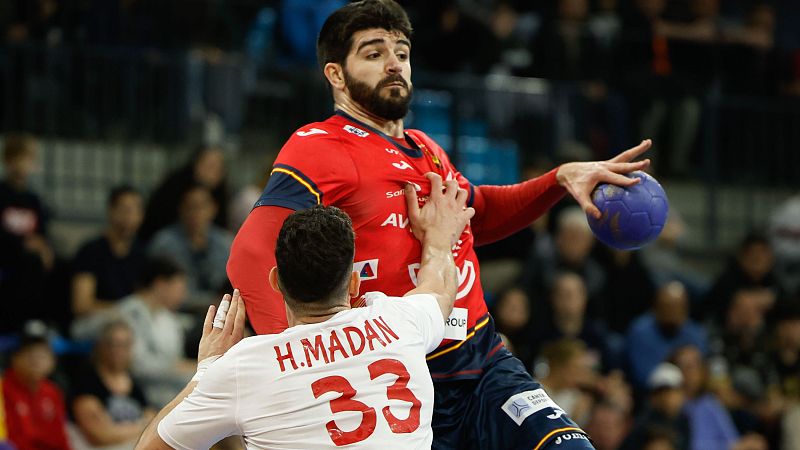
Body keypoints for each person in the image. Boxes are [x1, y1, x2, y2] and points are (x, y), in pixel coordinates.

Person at [227, 1, 651, 448]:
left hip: (483, 361)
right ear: (336, 74)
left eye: (402, 53)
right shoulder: (321, 145)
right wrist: (294, 357)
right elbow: (251, 253)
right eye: (374, 54)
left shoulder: (425, 146)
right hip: (401, 380)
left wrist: (559, 179)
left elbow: (477, 214)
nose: (394, 64)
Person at [136, 172, 473, 449]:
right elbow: (440, 288)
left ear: (275, 281)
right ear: (354, 283)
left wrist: (207, 371)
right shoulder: (400, 321)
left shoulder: (245, 365)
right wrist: (440, 238)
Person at [71, 185, 146, 340]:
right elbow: (81, 305)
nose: (129, 217)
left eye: (135, 210)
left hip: (128, 319)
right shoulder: (91, 251)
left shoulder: (141, 254)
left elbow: (143, 297)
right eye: (124, 210)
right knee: (122, 329)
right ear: (111, 211)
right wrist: (121, 309)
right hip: (93, 320)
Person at [70, 320, 156, 448]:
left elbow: (154, 421)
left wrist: (123, 430)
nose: (120, 351)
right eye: (114, 344)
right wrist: (142, 426)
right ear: (102, 346)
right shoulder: (87, 383)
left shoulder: (134, 383)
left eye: (125, 345)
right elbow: (101, 435)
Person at [2, 332, 72, 450]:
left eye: (42, 356)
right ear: (15, 358)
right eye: (31, 356)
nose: (36, 362)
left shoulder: (52, 391)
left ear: (53, 361)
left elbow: (60, 435)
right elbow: (8, 439)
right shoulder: (3, 389)